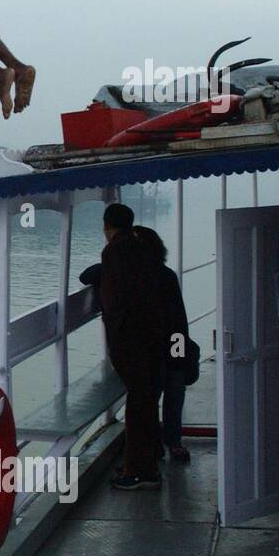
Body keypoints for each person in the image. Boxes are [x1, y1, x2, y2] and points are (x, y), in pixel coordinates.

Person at [97, 203, 167, 490]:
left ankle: (139, 471)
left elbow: (113, 299)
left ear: (107, 226)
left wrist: (115, 333)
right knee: (147, 400)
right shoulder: (144, 248)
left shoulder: (114, 251)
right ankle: (148, 458)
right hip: (152, 336)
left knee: (138, 404)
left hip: (131, 340)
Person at [134, 226, 192, 463]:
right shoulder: (165, 275)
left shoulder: (145, 278)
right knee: (173, 395)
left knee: (151, 398)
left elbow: (177, 317)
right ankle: (172, 442)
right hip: (168, 346)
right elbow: (179, 318)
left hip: (155, 349)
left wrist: (177, 353)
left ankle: (155, 444)